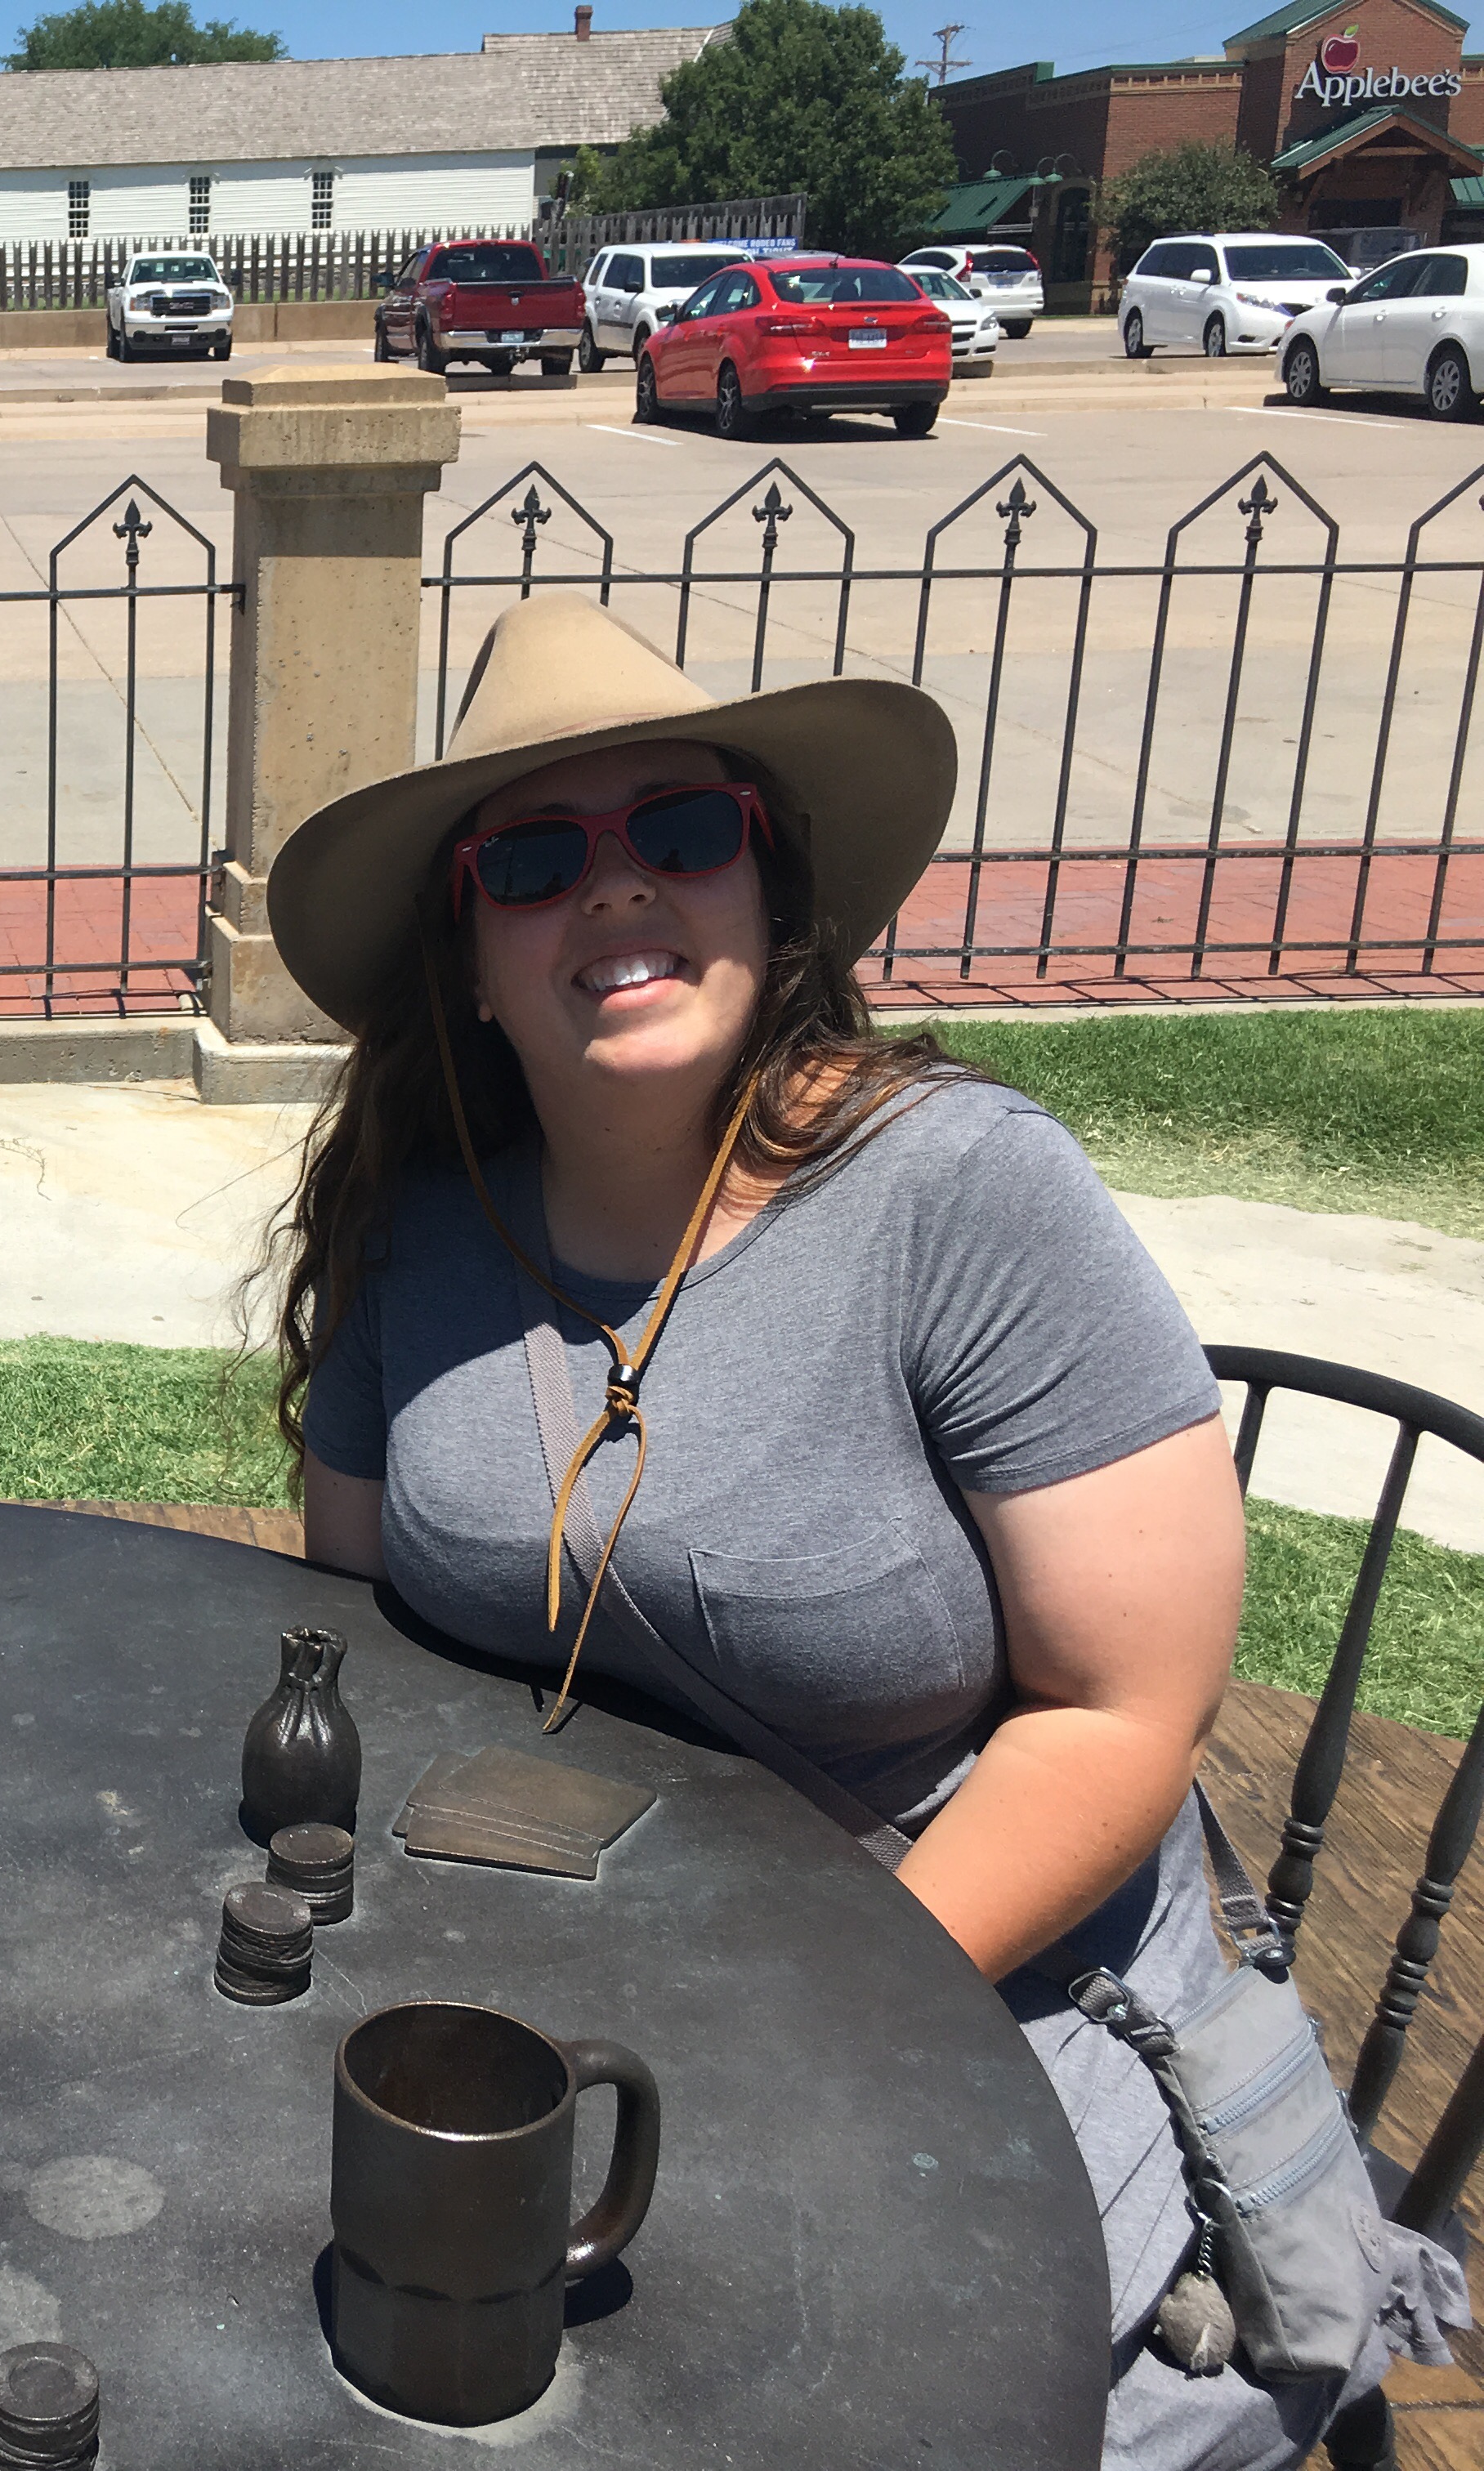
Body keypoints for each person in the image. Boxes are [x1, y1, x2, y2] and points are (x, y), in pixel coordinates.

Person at [261, 594, 1455, 2468]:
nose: (619, 884)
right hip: (561, 1947)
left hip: (971, 1963)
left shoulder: (960, 1193)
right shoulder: (420, 1227)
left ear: (774, 898)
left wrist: (811, 2002)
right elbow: (353, 1627)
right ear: (470, 962)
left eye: (681, 831)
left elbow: (1122, 1715)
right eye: (538, 859)